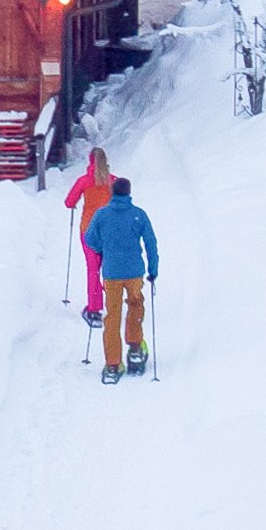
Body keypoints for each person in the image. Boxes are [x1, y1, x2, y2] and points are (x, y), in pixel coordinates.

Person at [82, 178, 159, 382]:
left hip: (111, 273)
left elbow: (89, 239)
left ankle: (113, 363)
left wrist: (102, 249)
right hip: (134, 271)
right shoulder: (138, 214)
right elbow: (150, 241)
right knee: (135, 306)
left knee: (112, 315)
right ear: (129, 193)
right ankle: (135, 348)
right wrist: (153, 269)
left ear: (112, 192)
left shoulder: (101, 215)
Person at [65, 148, 115, 324]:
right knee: (108, 270)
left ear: (90, 161)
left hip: (89, 231)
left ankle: (94, 310)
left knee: (93, 270)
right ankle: (113, 305)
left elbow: (69, 201)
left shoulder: (85, 181)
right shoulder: (112, 181)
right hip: (108, 232)